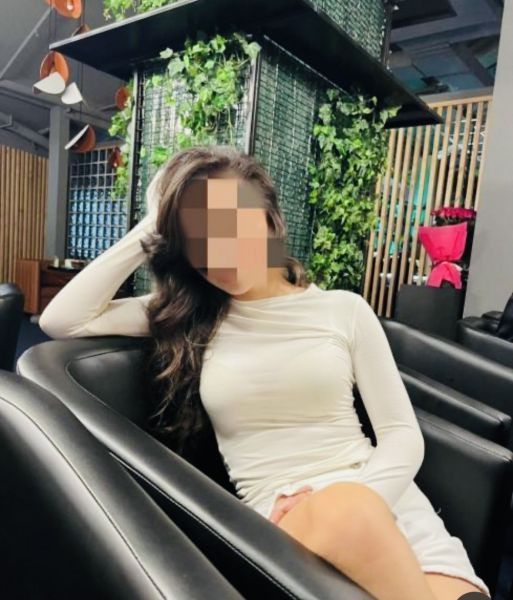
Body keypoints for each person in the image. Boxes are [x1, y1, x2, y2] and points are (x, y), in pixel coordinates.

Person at [39, 145, 491, 600]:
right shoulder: (194, 316)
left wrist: (367, 501)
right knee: (347, 513)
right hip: (283, 522)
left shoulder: (344, 309)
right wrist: (154, 222)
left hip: (385, 497)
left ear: (270, 219)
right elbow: (63, 319)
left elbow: (401, 435)